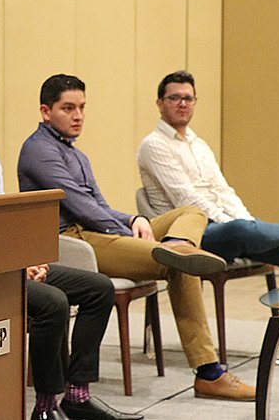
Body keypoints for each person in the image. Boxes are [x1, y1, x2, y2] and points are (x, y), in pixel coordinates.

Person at [0, 59, 142, 420]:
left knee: (98, 289)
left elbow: (1, 221)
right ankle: (45, 407)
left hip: (3, 264)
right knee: (52, 303)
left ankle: (77, 396)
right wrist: (14, 266)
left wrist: (27, 258)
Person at [18, 74, 255, 402]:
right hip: (74, 241)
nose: (78, 115)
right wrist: (128, 230)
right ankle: (209, 372)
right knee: (179, 266)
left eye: (82, 107)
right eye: (68, 108)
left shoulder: (77, 154)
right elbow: (82, 208)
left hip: (97, 231)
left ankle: (179, 244)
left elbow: (100, 206)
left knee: (191, 213)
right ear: (46, 111)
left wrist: (134, 219)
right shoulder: (39, 151)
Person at [137, 70, 279, 331]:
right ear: (160, 103)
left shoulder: (198, 144)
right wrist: (238, 227)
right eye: (175, 98)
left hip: (228, 230)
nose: (183, 104)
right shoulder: (153, 145)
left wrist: (247, 224)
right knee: (242, 229)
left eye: (188, 98)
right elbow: (185, 198)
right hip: (189, 236)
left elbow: (224, 191)